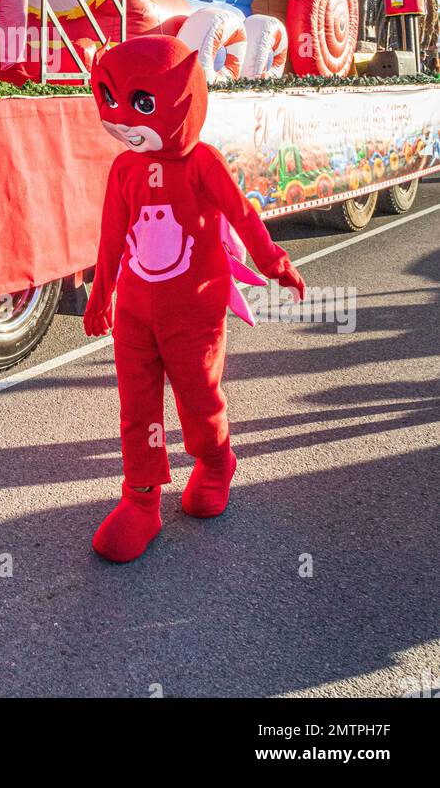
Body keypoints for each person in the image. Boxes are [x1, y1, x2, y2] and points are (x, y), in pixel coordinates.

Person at [83, 35, 305, 562]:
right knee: (138, 410)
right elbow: (112, 237)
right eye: (107, 99)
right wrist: (101, 294)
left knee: (198, 399)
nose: (118, 117)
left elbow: (244, 216)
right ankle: (140, 500)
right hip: (136, 313)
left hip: (194, 311)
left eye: (137, 104)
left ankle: (214, 460)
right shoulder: (125, 169)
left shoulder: (202, 162)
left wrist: (274, 262)